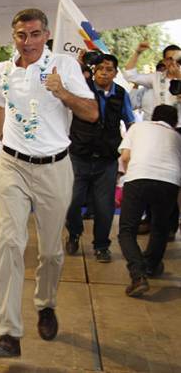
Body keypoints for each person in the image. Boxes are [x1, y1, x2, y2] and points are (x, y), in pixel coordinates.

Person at [0, 8, 97, 357]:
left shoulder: (64, 65)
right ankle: (8, 332)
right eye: (21, 35)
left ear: (46, 35)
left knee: (50, 251)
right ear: (13, 36)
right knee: (8, 243)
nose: (27, 41)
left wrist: (62, 93)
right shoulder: (2, 69)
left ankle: (45, 303)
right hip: (12, 165)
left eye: (34, 34)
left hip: (54, 167)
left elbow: (91, 113)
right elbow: (2, 106)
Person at [65, 54, 134, 261]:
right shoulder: (81, 88)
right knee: (72, 201)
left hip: (107, 159)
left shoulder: (121, 94)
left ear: (115, 72)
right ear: (94, 70)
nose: (104, 72)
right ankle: (74, 234)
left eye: (109, 69)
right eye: (101, 68)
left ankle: (102, 245)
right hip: (79, 155)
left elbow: (130, 123)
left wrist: (131, 148)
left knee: (105, 207)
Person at [117, 104, 181, 297]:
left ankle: (138, 274)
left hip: (139, 176)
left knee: (127, 230)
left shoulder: (138, 127)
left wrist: (130, 177)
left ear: (153, 116)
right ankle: (151, 266)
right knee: (160, 227)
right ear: (175, 121)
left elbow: (125, 156)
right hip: (169, 181)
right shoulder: (177, 136)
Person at [124, 42, 181, 125]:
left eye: (178, 59)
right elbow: (129, 75)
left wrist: (178, 76)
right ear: (164, 61)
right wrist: (137, 53)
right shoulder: (155, 77)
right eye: (170, 59)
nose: (174, 62)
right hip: (158, 126)